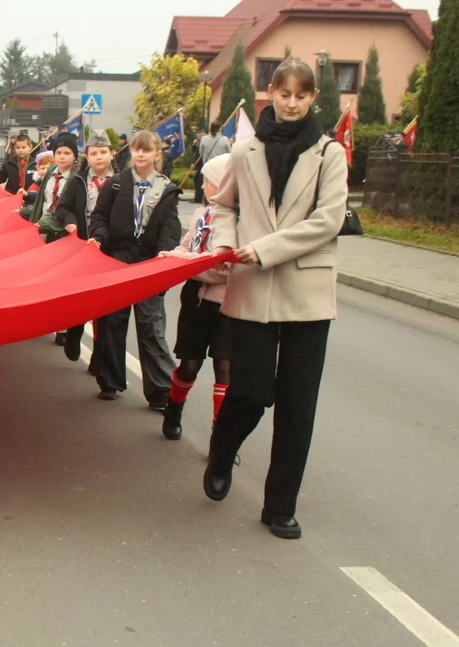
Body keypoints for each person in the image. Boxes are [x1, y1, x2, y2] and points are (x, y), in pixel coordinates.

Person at [203, 58, 347, 540]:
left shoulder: (330, 154)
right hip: (252, 288)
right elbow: (222, 205)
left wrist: (262, 248)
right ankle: (222, 451)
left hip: (307, 288)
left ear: (312, 100)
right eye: (283, 94)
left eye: (301, 96)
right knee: (251, 391)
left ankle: (280, 506)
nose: (291, 103)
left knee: (297, 402)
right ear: (270, 94)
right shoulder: (244, 150)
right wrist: (224, 243)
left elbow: (328, 220)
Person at [87, 130, 181, 408]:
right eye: (136, 150)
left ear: (157, 155)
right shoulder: (116, 184)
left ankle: (161, 390)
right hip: (118, 258)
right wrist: (100, 236)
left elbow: (171, 226)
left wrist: (167, 249)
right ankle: (110, 380)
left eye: (146, 150)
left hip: (149, 261)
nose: (140, 155)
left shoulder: (166, 188)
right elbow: (99, 217)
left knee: (151, 324)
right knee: (113, 322)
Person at [156, 153, 232, 441]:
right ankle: (174, 408)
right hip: (196, 302)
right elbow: (187, 246)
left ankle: (220, 434)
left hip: (228, 304)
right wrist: (172, 256)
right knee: (189, 364)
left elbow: (223, 268)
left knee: (225, 367)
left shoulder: (238, 220)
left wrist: (188, 265)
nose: (203, 187)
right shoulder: (201, 215)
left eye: (209, 182)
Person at [39, 129, 117, 362]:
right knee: (83, 297)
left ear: (112, 154)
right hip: (82, 245)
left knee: (105, 304)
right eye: (94, 153)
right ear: (87, 155)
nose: (99, 157)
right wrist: (71, 223)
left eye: (104, 152)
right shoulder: (79, 180)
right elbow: (62, 207)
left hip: (110, 247)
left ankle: (100, 358)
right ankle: (74, 330)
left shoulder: (120, 182)